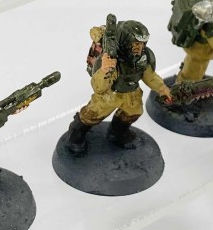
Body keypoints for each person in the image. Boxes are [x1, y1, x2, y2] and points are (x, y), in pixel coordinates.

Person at [65, 18, 173, 153]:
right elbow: (98, 87)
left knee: (132, 113)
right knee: (91, 115)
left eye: (142, 43)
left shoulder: (144, 58)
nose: (139, 48)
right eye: (136, 44)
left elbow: (150, 76)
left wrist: (162, 88)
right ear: (126, 41)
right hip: (109, 95)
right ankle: (75, 135)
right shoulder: (109, 59)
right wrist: (104, 70)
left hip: (131, 94)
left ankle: (117, 133)